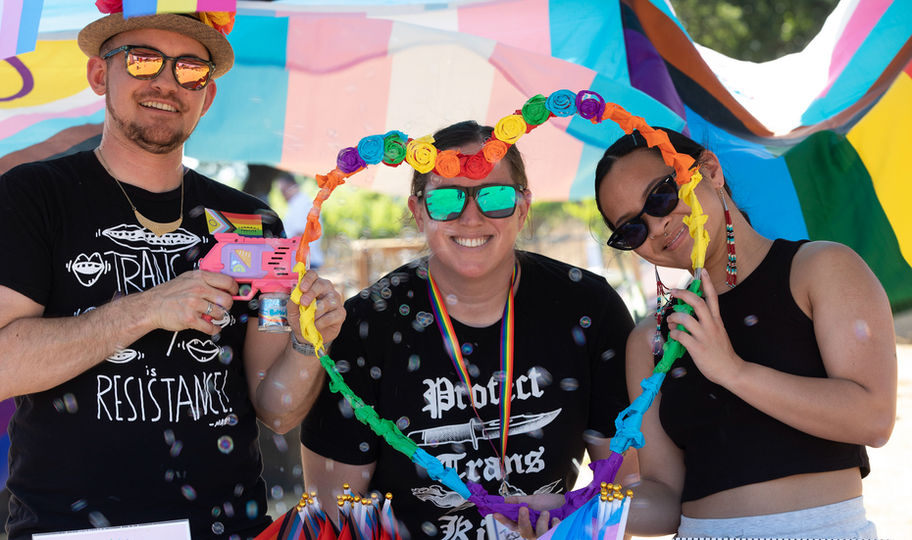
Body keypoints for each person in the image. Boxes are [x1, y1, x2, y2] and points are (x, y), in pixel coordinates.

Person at [0, 7, 345, 540]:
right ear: (101, 74)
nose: (167, 82)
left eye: (191, 70)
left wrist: (307, 346)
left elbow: (275, 409)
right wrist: (147, 308)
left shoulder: (254, 222)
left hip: (228, 527)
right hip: (76, 529)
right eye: (143, 61)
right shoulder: (32, 196)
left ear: (207, 97)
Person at [299, 120, 635, 540]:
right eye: (447, 200)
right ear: (418, 211)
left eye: (495, 197)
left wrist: (569, 518)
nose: (472, 217)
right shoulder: (367, 324)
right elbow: (333, 513)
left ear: (524, 207)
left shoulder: (588, 306)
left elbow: (626, 488)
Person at [591, 128, 897, 538]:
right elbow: (665, 498)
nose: (658, 224)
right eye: (632, 229)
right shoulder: (649, 341)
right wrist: (578, 510)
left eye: (662, 195)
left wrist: (732, 370)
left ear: (711, 172)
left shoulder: (821, 269)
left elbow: (873, 419)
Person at [273, 169, 324, 269]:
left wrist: (280, 255)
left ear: (291, 186)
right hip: (305, 262)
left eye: (283, 191)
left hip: (304, 263)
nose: (282, 196)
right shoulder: (301, 202)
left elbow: (299, 235)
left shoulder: (299, 204)